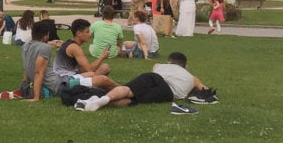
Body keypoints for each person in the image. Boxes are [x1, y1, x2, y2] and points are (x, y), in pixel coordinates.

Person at [75, 52, 217, 111]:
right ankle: (98, 103)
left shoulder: (159, 66)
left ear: (169, 61)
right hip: (169, 93)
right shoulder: (192, 77)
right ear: (185, 65)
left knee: (129, 91)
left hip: (155, 77)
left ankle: (99, 100)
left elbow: (155, 70)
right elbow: (205, 91)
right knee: (134, 101)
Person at [51, 18, 117, 90]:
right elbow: (89, 70)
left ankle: (96, 86)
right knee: (96, 76)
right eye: (87, 32)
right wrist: (102, 57)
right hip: (64, 80)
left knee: (105, 67)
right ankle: (123, 89)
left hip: (67, 76)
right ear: (79, 33)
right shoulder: (74, 47)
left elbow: (82, 69)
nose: (90, 35)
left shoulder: (70, 43)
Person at [19, 19, 61, 101]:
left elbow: (26, 67)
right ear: (46, 35)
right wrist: (36, 98)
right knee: (82, 82)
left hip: (42, 84)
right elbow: (39, 72)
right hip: (54, 86)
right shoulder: (45, 48)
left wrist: (24, 84)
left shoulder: (25, 46)